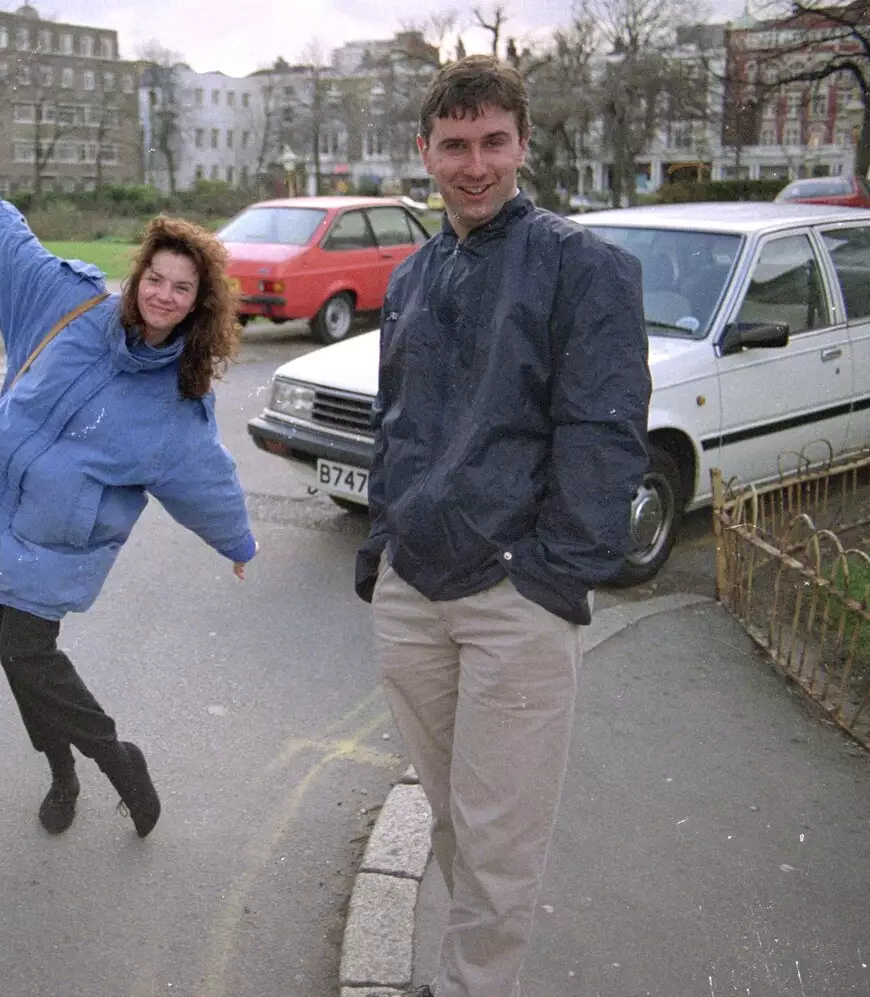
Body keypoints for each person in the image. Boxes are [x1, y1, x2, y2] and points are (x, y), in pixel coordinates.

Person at [355, 57, 650, 997]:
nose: (473, 164)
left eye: (492, 142)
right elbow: (393, 420)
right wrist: (379, 551)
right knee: (453, 818)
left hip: (513, 599)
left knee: (498, 837)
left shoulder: (583, 267)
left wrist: (552, 576)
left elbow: (606, 436)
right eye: (454, 145)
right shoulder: (413, 274)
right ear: (426, 153)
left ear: (522, 143)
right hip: (414, 592)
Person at [0, 139, 258, 838]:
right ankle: (60, 770)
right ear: (139, 273)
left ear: (199, 303)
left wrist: (236, 540)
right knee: (17, 663)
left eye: (182, 287)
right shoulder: (72, 305)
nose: (163, 295)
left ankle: (117, 759)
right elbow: (13, 249)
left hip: (54, 542)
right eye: (157, 277)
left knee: (29, 653)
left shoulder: (178, 398)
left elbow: (206, 476)